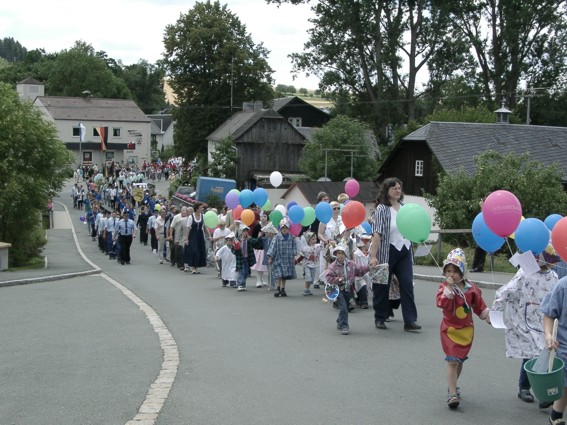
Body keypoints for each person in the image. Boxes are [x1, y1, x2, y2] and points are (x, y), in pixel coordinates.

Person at [491, 249, 559, 407]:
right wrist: (495, 311)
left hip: (544, 321)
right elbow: (506, 291)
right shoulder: (525, 273)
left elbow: (556, 298)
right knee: (534, 352)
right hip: (524, 319)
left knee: (544, 353)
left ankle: (541, 391)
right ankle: (526, 388)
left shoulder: (554, 277)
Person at [436, 248, 490, 409]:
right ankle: (452, 393)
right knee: (452, 361)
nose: (451, 275)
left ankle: (453, 386)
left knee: (459, 361)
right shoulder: (444, 287)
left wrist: (486, 315)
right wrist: (449, 292)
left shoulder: (471, 288)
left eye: (455, 271)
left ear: (462, 272)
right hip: (449, 329)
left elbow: (479, 305)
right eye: (448, 271)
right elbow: (440, 303)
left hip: (466, 330)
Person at [368, 177, 421, 332]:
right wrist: (373, 256)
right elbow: (377, 234)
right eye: (394, 188)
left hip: (404, 250)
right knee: (381, 285)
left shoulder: (405, 208)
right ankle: (380, 317)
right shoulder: (382, 209)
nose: (398, 190)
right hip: (387, 251)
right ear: (387, 191)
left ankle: (410, 320)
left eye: (399, 188)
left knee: (406, 284)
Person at [540, 275, 567, 425]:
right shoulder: (563, 286)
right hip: (564, 345)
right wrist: (549, 335)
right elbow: (549, 313)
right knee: (566, 385)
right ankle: (555, 416)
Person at [326, 244, 370, 335]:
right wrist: (337, 279)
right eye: (339, 253)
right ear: (336, 254)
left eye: (342, 253)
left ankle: (340, 320)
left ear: (346, 254)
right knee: (343, 308)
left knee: (345, 307)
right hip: (337, 290)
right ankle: (344, 326)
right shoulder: (333, 266)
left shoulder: (351, 264)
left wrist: (368, 267)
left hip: (348, 289)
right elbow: (328, 277)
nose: (341, 255)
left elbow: (359, 271)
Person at [268, 218, 298, 297]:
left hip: (288, 259)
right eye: (283, 228)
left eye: (286, 228)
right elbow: (273, 247)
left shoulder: (291, 238)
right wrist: (271, 257)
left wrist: (294, 254)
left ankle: (283, 289)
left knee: (284, 275)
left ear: (289, 229)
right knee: (279, 274)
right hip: (279, 258)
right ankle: (278, 288)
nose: (284, 230)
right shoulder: (277, 237)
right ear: (280, 229)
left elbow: (294, 247)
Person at [230, 224, 263, 292]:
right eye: (244, 231)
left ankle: (243, 284)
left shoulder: (249, 239)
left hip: (247, 258)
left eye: (246, 231)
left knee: (246, 272)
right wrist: (236, 249)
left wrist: (259, 237)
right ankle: (240, 285)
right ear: (241, 232)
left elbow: (255, 242)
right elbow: (233, 249)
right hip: (240, 258)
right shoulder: (237, 240)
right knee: (241, 271)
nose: (245, 232)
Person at [184, 202, 208, 274]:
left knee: (199, 251)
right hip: (193, 235)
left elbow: (205, 227)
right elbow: (188, 228)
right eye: (201, 207)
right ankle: (193, 267)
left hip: (200, 235)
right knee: (194, 251)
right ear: (197, 208)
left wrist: (209, 235)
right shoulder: (191, 217)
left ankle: (195, 267)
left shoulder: (203, 216)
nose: (202, 209)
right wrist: (186, 238)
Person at [300, 231, 323, 296]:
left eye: (315, 239)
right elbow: (301, 256)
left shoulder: (317, 246)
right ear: (308, 240)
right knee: (308, 277)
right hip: (306, 265)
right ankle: (305, 289)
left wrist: (327, 242)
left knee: (312, 280)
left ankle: (307, 289)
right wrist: (296, 261)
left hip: (314, 265)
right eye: (313, 239)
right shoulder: (305, 248)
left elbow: (323, 245)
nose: (315, 240)